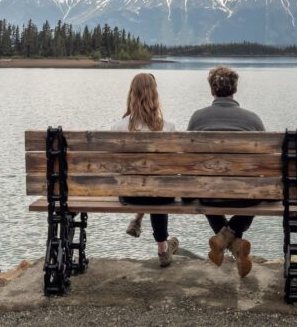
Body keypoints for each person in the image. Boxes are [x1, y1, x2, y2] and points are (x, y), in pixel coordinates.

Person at [186, 65, 265, 278]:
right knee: (258, 191)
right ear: (235, 90)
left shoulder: (197, 118)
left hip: (208, 194)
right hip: (245, 197)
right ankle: (234, 244)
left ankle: (224, 240)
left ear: (212, 90)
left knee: (206, 188)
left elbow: (189, 160)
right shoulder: (253, 120)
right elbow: (264, 164)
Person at [110, 72, 180, 267]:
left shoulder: (118, 127)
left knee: (147, 185)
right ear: (155, 96)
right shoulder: (169, 128)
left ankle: (138, 222)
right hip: (161, 195)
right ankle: (162, 249)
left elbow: (113, 166)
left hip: (129, 194)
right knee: (158, 187)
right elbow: (174, 169)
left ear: (131, 94)